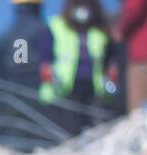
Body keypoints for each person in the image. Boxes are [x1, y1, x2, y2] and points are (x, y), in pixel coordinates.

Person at [0, 0, 61, 151]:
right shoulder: (43, 31)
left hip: (9, 110)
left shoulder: (1, 39)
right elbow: (51, 66)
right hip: (41, 107)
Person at [45, 1, 116, 136]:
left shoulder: (101, 29)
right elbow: (45, 60)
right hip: (65, 90)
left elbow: (109, 59)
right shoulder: (56, 26)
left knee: (94, 131)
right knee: (69, 131)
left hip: (94, 90)